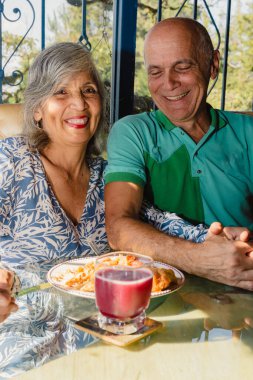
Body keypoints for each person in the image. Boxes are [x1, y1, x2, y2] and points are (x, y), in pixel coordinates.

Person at [0, 41, 226, 322]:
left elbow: (160, 222)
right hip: (21, 334)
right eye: (61, 92)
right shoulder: (10, 160)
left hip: (103, 332)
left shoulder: (106, 176)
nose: (79, 103)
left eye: (89, 90)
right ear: (37, 110)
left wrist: (217, 239)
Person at [104, 17, 253, 290]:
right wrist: (202, 260)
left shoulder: (248, 132)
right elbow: (118, 227)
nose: (169, 83)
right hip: (169, 295)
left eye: (182, 67)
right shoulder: (133, 132)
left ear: (213, 65)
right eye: (155, 72)